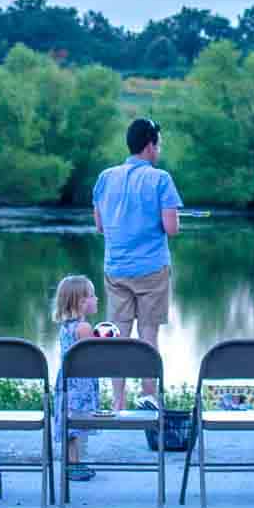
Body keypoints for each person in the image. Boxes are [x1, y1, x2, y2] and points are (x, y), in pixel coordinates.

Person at [92, 117, 182, 409]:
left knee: (117, 336)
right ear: (149, 145)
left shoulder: (105, 177)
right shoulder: (160, 179)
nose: (160, 149)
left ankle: (118, 403)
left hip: (115, 269)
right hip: (152, 270)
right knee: (148, 335)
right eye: (158, 143)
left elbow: (101, 226)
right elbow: (171, 229)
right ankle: (149, 398)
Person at [53, 274, 102, 485]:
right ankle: (72, 466)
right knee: (76, 425)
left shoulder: (65, 326)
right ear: (81, 302)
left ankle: (73, 463)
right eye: (92, 295)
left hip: (66, 381)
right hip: (79, 384)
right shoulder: (84, 328)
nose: (97, 299)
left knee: (71, 426)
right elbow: (93, 355)